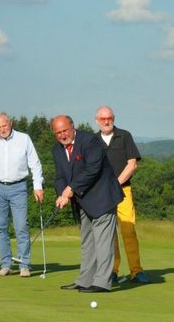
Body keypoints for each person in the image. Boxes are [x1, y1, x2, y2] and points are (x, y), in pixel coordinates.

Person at [50, 115, 124, 293]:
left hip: (102, 197)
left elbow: (92, 169)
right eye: (58, 132)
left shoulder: (90, 141)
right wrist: (62, 194)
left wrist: (70, 189)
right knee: (88, 242)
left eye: (65, 130)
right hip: (82, 201)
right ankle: (85, 280)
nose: (62, 135)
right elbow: (60, 176)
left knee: (103, 242)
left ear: (72, 127)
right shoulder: (57, 150)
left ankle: (102, 282)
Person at [0, 113, 45, 277]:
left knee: (21, 227)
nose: (2, 129)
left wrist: (38, 186)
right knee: (0, 228)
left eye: (4, 125)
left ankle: (24, 265)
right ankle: (6, 264)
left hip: (19, 187)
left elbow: (35, 163)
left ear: (10, 123)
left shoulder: (24, 139)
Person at [95, 106, 147, 285]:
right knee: (109, 234)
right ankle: (112, 270)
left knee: (128, 230)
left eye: (109, 118)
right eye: (102, 119)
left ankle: (136, 270)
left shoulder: (124, 136)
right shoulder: (93, 141)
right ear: (97, 120)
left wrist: (115, 185)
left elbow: (132, 164)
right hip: (102, 194)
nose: (106, 121)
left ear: (114, 118)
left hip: (123, 190)